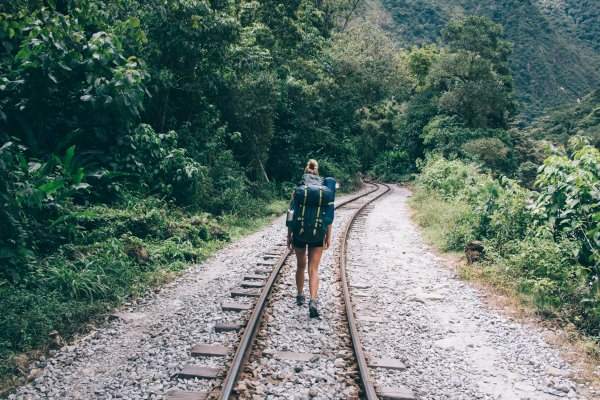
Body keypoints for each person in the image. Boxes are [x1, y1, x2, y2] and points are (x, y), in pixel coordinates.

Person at [286, 159, 334, 318]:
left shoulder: (298, 191)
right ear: (317, 175)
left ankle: (300, 294)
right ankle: (313, 300)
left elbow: (291, 213)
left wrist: (289, 236)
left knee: (300, 265)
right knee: (313, 269)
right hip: (318, 234)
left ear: (305, 174)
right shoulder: (324, 192)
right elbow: (329, 217)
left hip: (299, 233)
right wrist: (328, 236)